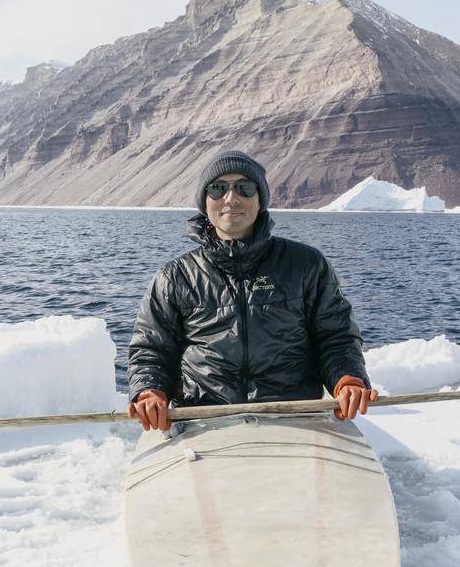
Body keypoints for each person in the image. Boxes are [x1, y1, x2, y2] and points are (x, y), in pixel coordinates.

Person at [125, 149, 379, 432]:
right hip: (203, 422)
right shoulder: (175, 276)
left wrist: (348, 378)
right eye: (218, 188)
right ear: (204, 201)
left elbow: (336, 337)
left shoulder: (306, 265)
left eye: (244, 188)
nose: (231, 198)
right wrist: (149, 391)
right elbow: (151, 349)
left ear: (260, 200)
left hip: (295, 418)